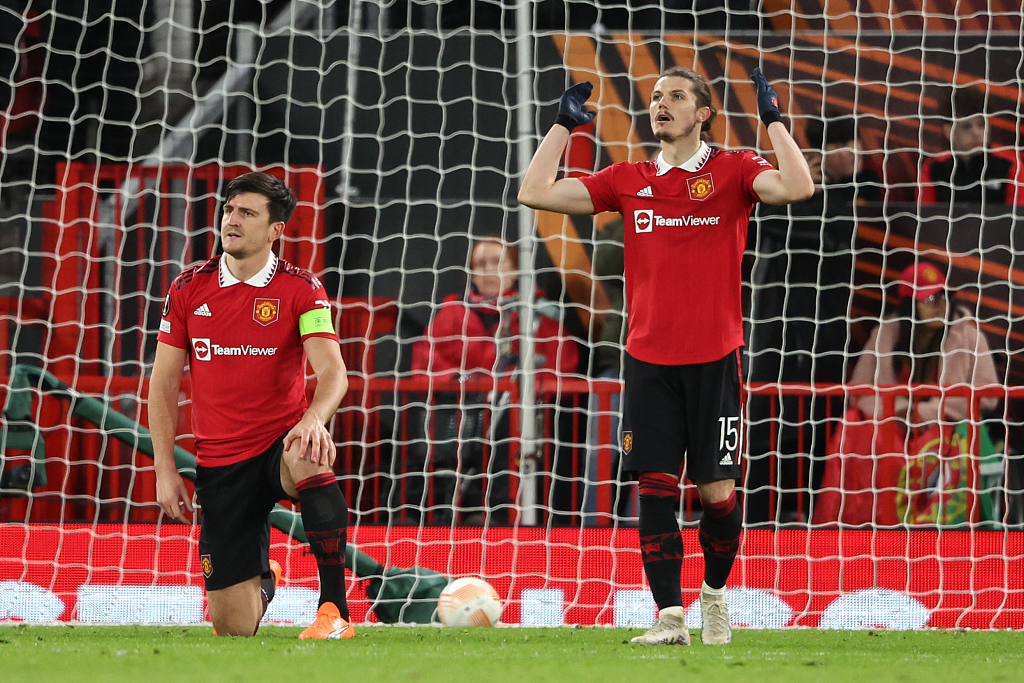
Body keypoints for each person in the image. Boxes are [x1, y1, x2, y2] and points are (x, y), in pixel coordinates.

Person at [518, 66, 813, 645]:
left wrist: (774, 121)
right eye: (655, 97)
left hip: (714, 359)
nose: (661, 104)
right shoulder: (629, 178)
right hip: (648, 360)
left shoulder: (735, 168)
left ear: (704, 113)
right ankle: (670, 616)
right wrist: (561, 126)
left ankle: (715, 594)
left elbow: (799, 186)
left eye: (676, 96)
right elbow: (534, 192)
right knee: (652, 486)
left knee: (716, 494)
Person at [149, 172, 355, 639]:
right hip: (221, 464)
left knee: (309, 450)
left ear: (275, 230)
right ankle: (263, 582)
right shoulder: (187, 289)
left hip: (280, 446)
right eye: (229, 210)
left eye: (247, 213)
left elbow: (333, 372)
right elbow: (162, 385)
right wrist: (165, 467)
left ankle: (333, 612)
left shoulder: (303, 288)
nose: (232, 219)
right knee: (233, 629)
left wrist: (313, 419)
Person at [745, 108, 882, 523]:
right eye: (836, 146)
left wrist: (824, 192)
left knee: (825, 415)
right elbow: (765, 229)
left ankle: (818, 511)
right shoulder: (790, 186)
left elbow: (838, 231)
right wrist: (805, 188)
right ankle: (760, 513)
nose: (846, 154)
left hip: (836, 325)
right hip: (777, 319)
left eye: (851, 145)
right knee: (768, 414)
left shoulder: (867, 188)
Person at [814, 262, 1002, 526]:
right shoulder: (886, 332)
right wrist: (895, 411)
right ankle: (858, 523)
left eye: (944, 296)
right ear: (908, 305)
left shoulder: (969, 335)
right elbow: (858, 389)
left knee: (942, 444)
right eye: (930, 299)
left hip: (946, 429)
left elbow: (989, 394)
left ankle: (938, 528)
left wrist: (925, 412)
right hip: (893, 427)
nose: (941, 306)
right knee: (852, 428)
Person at [409, 234, 578, 525]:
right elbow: (425, 359)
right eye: (480, 264)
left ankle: (500, 512)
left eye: (497, 262)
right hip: (459, 416)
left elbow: (564, 364)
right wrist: (462, 381)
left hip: (519, 424)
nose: (488, 270)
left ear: (515, 268)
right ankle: (441, 511)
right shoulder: (452, 313)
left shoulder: (540, 316)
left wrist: (519, 385)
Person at [919, 86, 1024, 206]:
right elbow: (924, 217)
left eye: (981, 124)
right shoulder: (934, 167)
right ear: (949, 131)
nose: (977, 133)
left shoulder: (1010, 165)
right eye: (966, 126)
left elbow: (1018, 218)